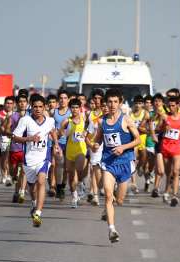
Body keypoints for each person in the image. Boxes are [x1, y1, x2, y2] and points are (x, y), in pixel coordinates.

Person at [92, 88, 141, 243]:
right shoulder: (102, 122)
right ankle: (112, 230)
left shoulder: (126, 119)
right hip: (108, 163)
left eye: (115, 102)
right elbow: (98, 140)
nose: (112, 105)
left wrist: (123, 147)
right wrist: (94, 145)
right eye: (109, 102)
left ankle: (109, 208)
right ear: (105, 103)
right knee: (107, 194)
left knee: (119, 200)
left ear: (120, 103)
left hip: (125, 163)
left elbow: (138, 140)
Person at [13, 95, 61, 227]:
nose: (38, 109)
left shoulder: (50, 120)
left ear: (44, 107)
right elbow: (15, 137)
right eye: (35, 107)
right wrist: (28, 139)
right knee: (32, 188)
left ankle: (38, 213)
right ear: (31, 107)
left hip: (43, 158)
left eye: (40, 106)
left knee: (41, 181)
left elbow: (52, 131)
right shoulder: (25, 120)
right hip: (29, 160)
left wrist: (56, 143)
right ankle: (34, 203)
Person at [156, 96, 180, 206]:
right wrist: (163, 128)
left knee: (176, 171)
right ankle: (166, 191)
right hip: (166, 147)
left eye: (173, 105)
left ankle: (174, 195)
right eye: (169, 106)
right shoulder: (165, 117)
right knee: (168, 173)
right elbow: (158, 129)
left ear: (178, 106)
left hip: (177, 147)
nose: (171, 107)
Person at [60, 98, 88, 208]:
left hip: (81, 149)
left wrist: (86, 134)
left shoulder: (84, 119)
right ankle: (74, 196)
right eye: (73, 107)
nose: (75, 109)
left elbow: (90, 130)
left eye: (77, 107)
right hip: (69, 150)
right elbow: (60, 132)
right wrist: (63, 133)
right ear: (70, 109)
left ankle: (81, 183)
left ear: (80, 108)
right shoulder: (67, 121)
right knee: (71, 176)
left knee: (79, 168)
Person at [129, 95, 149, 194]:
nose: (138, 105)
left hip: (143, 139)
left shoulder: (145, 114)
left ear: (143, 104)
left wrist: (144, 129)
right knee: (133, 160)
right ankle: (133, 183)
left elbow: (149, 128)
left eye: (140, 103)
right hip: (133, 139)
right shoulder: (130, 114)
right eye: (136, 103)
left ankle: (141, 166)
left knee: (144, 156)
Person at [53, 90, 71, 200]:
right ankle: (58, 187)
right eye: (60, 98)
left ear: (68, 100)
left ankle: (63, 186)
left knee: (67, 168)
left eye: (65, 98)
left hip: (69, 143)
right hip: (57, 142)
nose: (62, 100)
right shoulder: (53, 112)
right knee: (59, 163)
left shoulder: (72, 112)